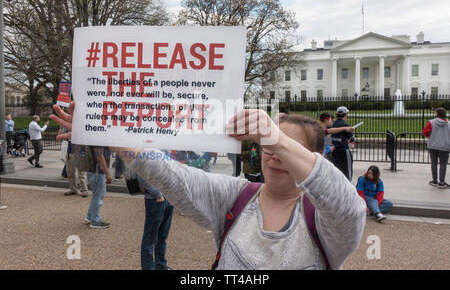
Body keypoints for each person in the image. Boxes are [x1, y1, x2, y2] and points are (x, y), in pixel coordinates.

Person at [51, 104, 366, 270]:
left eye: (285, 147)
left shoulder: (322, 220)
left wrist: (277, 137)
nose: (273, 154)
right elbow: (173, 174)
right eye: (267, 144)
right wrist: (106, 133)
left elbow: (347, 206)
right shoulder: (238, 196)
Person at [137, 175, 174, 270]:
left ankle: (161, 265)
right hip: (155, 199)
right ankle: (148, 268)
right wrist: (158, 195)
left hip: (168, 197)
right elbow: (141, 176)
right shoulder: (146, 159)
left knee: (162, 236)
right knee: (150, 238)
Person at [84, 146, 113, 228]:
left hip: (93, 170)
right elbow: (99, 156)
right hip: (98, 171)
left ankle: (90, 216)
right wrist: (107, 173)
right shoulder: (99, 138)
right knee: (98, 196)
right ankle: (95, 220)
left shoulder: (94, 136)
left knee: (96, 195)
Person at [422, 107, 450, 189]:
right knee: (443, 164)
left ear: (437, 114)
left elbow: (425, 132)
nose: (434, 114)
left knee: (434, 163)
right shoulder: (448, 123)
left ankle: (434, 181)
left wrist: (431, 135)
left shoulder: (431, 122)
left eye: (435, 112)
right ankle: (441, 182)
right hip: (444, 147)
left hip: (433, 146)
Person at [330, 107, 355, 181]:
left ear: (337, 114)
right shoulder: (345, 125)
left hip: (334, 151)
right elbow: (351, 138)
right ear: (345, 114)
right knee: (347, 171)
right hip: (344, 151)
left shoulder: (333, 124)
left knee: (337, 170)